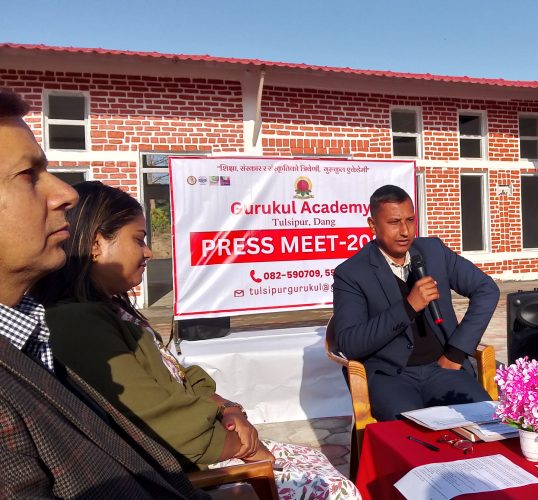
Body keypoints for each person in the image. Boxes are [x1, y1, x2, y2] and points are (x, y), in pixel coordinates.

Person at [32, 181, 360, 500]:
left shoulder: (110, 309)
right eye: (139, 239)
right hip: (182, 472)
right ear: (95, 244)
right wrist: (247, 446)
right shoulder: (76, 323)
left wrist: (229, 410)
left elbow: (181, 377)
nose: (148, 252)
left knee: (318, 464)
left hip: (204, 447)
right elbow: (162, 420)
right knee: (334, 489)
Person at [0, 89, 205, 498]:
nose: (67, 194)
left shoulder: (31, 335)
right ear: (97, 244)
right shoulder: (74, 323)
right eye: (29, 175)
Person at [332, 184, 499, 421]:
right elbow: (350, 344)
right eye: (394, 222)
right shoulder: (351, 273)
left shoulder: (433, 251)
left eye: (410, 220)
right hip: (391, 377)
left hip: (444, 369)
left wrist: (456, 352)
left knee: (487, 420)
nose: (405, 231)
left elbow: (487, 290)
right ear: (372, 225)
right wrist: (408, 307)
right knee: (410, 434)